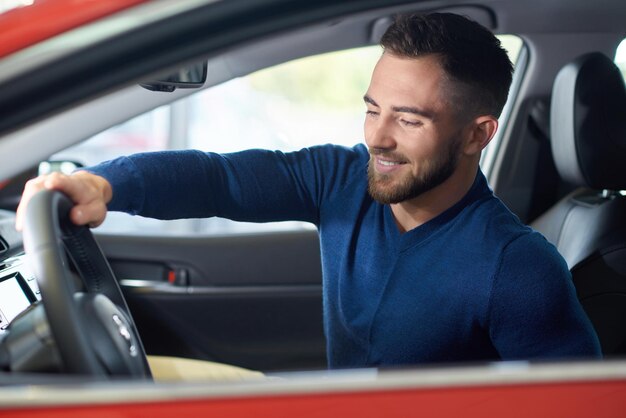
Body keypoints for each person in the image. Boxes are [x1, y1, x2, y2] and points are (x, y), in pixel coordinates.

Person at [17, 13, 601, 368]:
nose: (379, 138)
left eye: (409, 120)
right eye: (373, 109)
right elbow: (218, 178)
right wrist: (103, 183)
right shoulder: (341, 178)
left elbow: (575, 405)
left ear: (477, 135)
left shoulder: (519, 268)